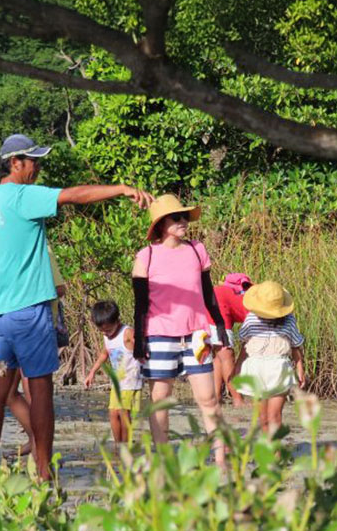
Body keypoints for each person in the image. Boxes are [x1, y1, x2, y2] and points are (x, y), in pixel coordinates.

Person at [0, 133, 152, 481]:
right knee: (41, 391)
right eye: (33, 161)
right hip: (30, 310)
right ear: (15, 163)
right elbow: (74, 196)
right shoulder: (21, 195)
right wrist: (121, 188)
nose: (38, 167)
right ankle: (43, 470)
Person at [131, 194, 229, 466]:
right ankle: (163, 460)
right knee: (161, 398)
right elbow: (140, 304)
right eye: (177, 217)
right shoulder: (146, 256)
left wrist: (219, 327)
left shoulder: (197, 250)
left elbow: (209, 294)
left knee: (208, 397)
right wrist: (140, 341)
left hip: (196, 334)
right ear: (162, 224)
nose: (183, 221)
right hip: (159, 334)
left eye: (185, 216)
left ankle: (221, 459)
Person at [0, 244, 67, 459]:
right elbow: (59, 288)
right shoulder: (38, 246)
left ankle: (33, 448)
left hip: (3, 320)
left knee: (11, 389)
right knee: (28, 388)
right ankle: (38, 447)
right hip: (31, 321)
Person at [233, 280, 306, 434]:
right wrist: (238, 366)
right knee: (263, 417)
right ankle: (268, 452)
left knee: (275, 416)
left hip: (278, 368)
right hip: (256, 368)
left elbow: (295, 347)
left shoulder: (289, 320)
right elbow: (246, 346)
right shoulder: (251, 319)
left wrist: (300, 368)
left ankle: (276, 454)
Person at [84, 300, 142, 444]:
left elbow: (142, 347)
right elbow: (105, 353)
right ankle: (118, 444)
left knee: (123, 413)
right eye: (102, 331)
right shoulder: (106, 335)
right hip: (117, 382)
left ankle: (125, 445)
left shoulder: (127, 333)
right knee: (112, 413)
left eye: (109, 330)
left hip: (130, 381)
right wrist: (92, 372)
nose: (106, 333)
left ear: (118, 321)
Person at [205, 273, 252, 407]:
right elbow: (249, 341)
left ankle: (216, 398)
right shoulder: (257, 306)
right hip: (218, 310)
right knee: (227, 356)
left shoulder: (251, 296)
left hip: (210, 304)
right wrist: (238, 364)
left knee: (219, 357)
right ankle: (237, 399)